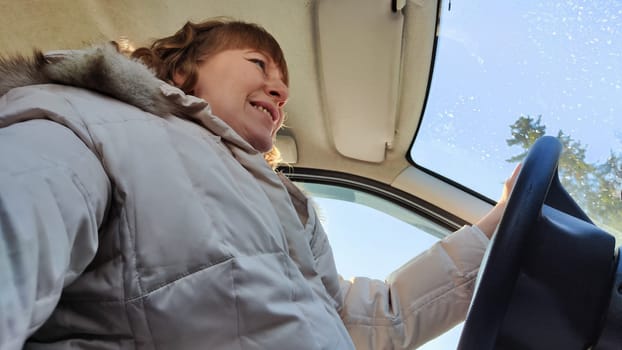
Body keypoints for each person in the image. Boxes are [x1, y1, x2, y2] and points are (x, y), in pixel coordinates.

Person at [0, 18, 517, 349]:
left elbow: (362, 324)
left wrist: (494, 231)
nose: (279, 88)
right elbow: (17, 230)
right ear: (182, 71)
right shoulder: (87, 120)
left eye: (284, 84)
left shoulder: (285, 209)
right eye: (258, 64)